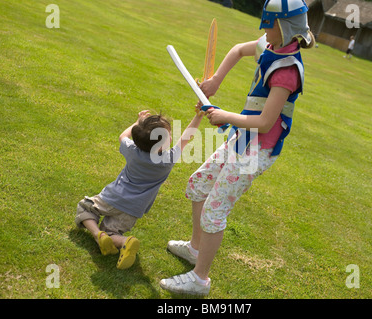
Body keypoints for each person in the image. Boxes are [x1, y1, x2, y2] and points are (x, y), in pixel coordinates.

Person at [160, 0, 315, 295]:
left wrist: (223, 116)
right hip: (244, 138)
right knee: (198, 185)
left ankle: (200, 279)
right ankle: (195, 249)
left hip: (257, 150)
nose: (263, 29)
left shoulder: (287, 71)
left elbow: (267, 122)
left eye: (268, 23)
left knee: (213, 211)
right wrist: (216, 80)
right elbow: (237, 50)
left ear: (283, 26)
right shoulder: (270, 45)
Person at [75, 109, 203, 269]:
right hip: (134, 209)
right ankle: (123, 241)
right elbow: (186, 137)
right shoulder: (168, 160)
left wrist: (137, 122)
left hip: (112, 198)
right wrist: (198, 116)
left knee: (85, 206)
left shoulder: (133, 151)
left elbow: (123, 136)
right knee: (112, 232)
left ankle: (97, 234)